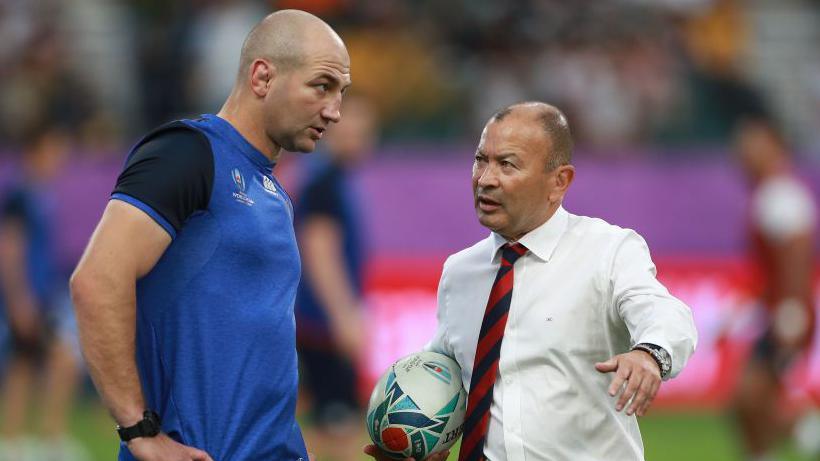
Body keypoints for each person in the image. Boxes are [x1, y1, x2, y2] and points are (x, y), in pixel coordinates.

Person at [69, 9, 350, 461]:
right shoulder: (187, 153)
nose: (334, 111)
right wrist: (138, 430)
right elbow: (97, 279)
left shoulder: (274, 191)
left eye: (341, 93)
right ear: (262, 77)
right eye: (322, 86)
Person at [365, 101, 697, 461]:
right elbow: (445, 373)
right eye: (481, 160)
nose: (486, 178)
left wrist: (649, 354)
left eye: (506, 164)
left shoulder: (608, 251)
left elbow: (666, 314)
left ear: (559, 181)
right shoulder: (460, 272)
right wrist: (422, 443)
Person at [731, 117, 818, 461]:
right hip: (781, 310)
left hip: (789, 312)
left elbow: (796, 257)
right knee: (750, 402)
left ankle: (805, 429)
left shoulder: (780, 195)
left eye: (753, 146)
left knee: (750, 398)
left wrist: (791, 312)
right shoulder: (771, 194)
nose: (744, 155)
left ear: (776, 148)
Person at [295, 94, 376, 461]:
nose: (358, 137)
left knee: (329, 425)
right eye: (350, 128)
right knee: (336, 429)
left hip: (318, 323)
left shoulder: (333, 178)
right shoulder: (324, 181)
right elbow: (320, 252)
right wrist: (345, 316)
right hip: (320, 325)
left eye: (365, 129)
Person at [0, 124, 87, 461]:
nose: (59, 158)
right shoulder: (21, 195)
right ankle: (34, 440)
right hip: (27, 297)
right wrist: (19, 299)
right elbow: (10, 248)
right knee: (57, 361)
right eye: (53, 150)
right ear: (36, 151)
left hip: (43, 294)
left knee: (29, 365)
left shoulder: (44, 194)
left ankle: (25, 440)